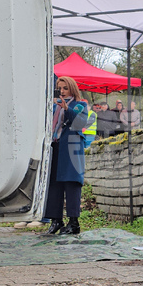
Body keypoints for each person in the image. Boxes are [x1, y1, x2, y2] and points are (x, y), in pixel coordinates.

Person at [43, 77, 88, 235]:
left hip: (71, 148)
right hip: (55, 147)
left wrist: (67, 109)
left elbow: (80, 123)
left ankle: (73, 222)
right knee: (53, 184)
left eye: (65, 88)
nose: (61, 91)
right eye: (59, 88)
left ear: (72, 89)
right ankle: (56, 221)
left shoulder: (79, 105)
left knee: (71, 183)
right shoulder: (53, 106)